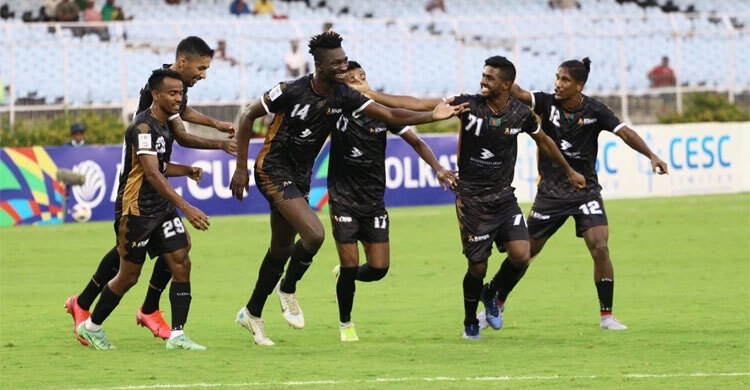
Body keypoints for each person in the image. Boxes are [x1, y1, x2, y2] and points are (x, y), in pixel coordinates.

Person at [228, 31, 468, 346]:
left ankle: (252, 313)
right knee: (314, 235)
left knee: (281, 249)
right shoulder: (289, 90)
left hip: (299, 176)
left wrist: (430, 115)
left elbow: (392, 114)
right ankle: (287, 288)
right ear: (319, 64)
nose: (343, 66)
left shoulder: (344, 95)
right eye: (337, 62)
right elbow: (247, 116)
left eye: (344, 60)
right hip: (271, 169)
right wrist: (241, 168)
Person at [350, 56, 586, 339]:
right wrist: (373, 95)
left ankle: (491, 291)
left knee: (522, 256)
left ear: (506, 85)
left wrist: (569, 170)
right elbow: (421, 104)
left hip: (503, 196)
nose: (483, 81)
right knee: (477, 266)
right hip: (472, 199)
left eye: (490, 78)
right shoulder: (468, 104)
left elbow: (544, 140)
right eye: (483, 75)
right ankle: (469, 321)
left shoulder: (521, 114)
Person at [64, 36, 237, 347]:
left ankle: (153, 315)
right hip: (139, 182)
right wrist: (220, 141)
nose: (203, 75)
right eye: (201, 68)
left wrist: (212, 127)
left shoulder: (171, 93)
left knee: (179, 253)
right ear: (181, 65)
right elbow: (178, 140)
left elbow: (182, 120)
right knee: (128, 265)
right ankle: (102, 312)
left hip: (157, 181)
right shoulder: (151, 111)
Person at [508, 57, 669, 330]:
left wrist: (650, 154)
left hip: (585, 191)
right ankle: (495, 303)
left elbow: (624, 132)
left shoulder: (595, 110)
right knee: (524, 254)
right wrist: (504, 78)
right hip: (551, 192)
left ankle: (607, 316)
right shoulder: (546, 102)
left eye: (565, 80)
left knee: (600, 246)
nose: (558, 84)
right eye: (557, 77)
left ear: (579, 85)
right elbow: (520, 94)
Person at [77, 69, 209, 350]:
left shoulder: (166, 126)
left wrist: (186, 170)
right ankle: (91, 326)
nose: (178, 98)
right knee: (128, 276)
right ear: (156, 95)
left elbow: (160, 166)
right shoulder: (143, 128)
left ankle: (178, 336)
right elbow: (150, 173)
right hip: (136, 211)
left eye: (181, 93)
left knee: (181, 260)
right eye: (172, 93)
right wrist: (186, 206)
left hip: (161, 208)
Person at [330, 61, 458, 342]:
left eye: (362, 77)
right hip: (342, 197)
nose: (359, 82)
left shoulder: (382, 114)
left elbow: (417, 141)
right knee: (351, 264)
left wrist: (438, 168)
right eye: (352, 80)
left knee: (378, 269)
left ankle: (344, 276)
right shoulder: (337, 108)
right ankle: (345, 323)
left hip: (373, 199)